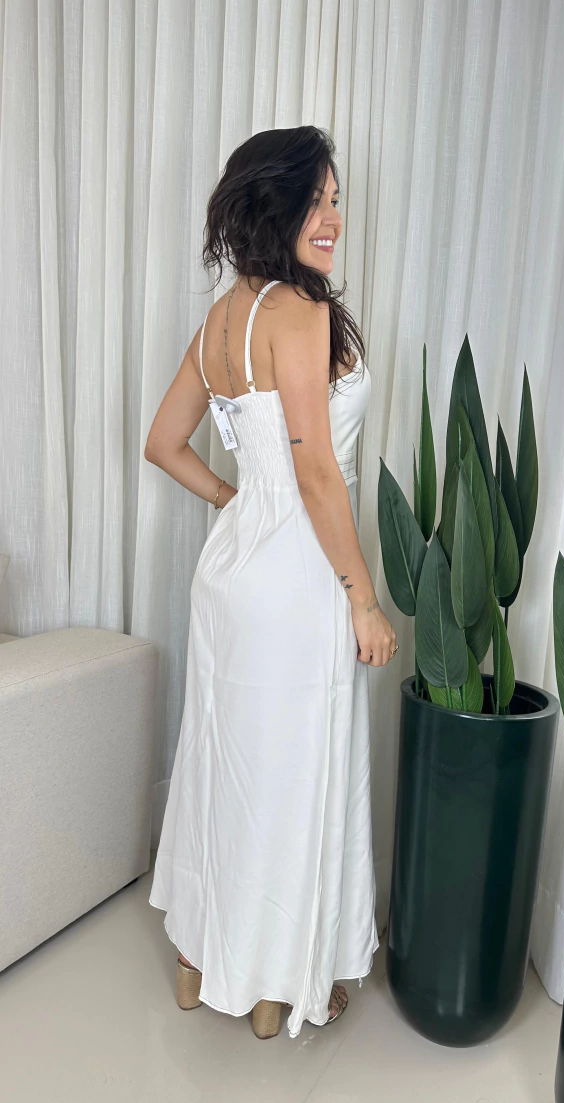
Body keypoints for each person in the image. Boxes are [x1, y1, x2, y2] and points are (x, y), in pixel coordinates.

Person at [145, 125, 398, 1039]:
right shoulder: (298, 309)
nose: (332, 218)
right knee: (289, 775)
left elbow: (161, 442)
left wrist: (234, 499)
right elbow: (318, 471)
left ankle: (200, 958)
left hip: (231, 575)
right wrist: (363, 599)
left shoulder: (223, 318)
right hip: (297, 577)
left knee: (226, 765)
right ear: (275, 204)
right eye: (316, 200)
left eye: (337, 200)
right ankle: (273, 985)